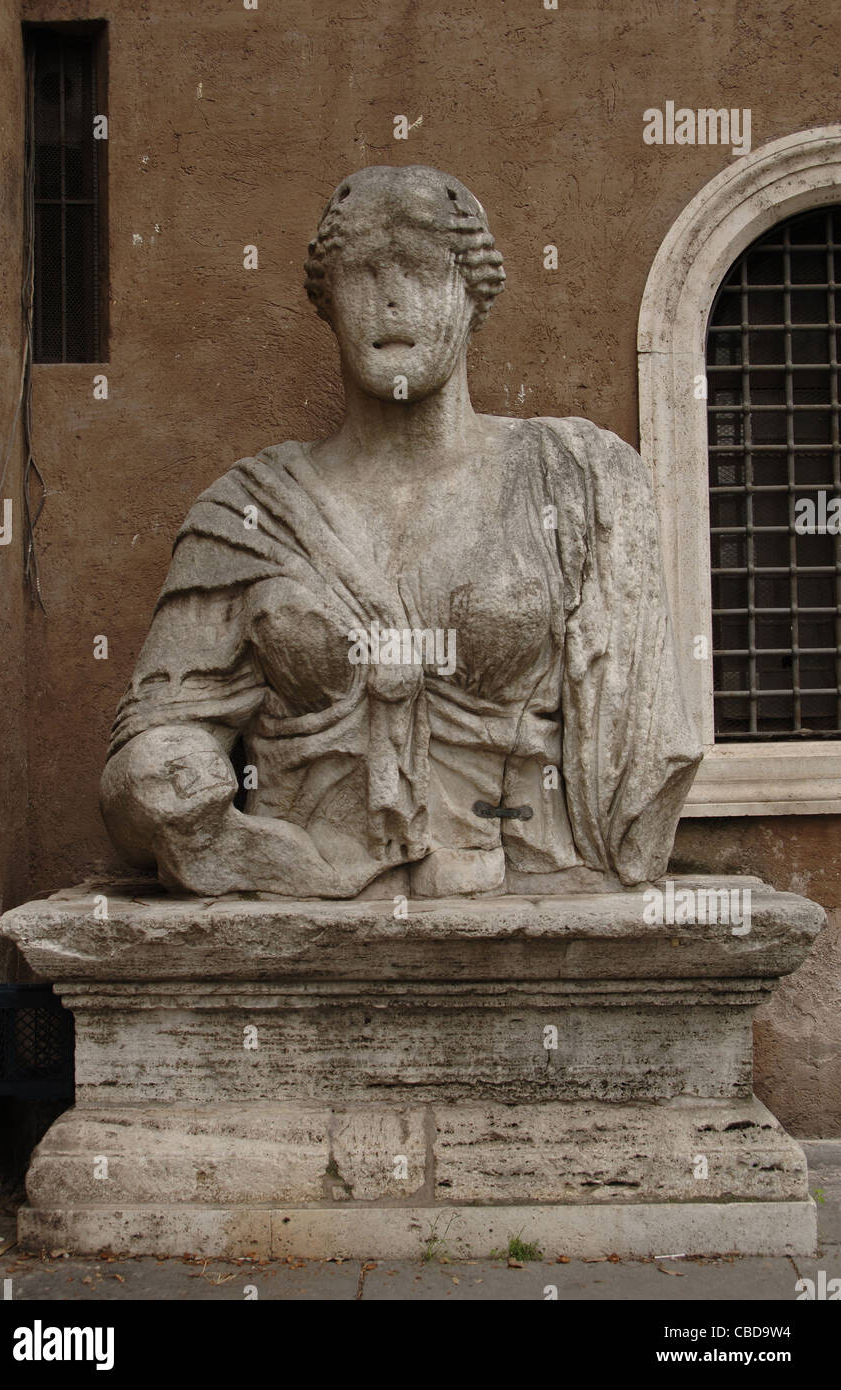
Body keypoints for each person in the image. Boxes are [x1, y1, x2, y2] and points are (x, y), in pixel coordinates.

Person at [100, 165, 701, 899]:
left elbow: (640, 761)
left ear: (473, 292)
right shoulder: (247, 514)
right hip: (302, 887)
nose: (391, 299)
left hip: (533, 882)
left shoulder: (576, 479)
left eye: (420, 269)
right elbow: (152, 748)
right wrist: (163, 780)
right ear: (327, 301)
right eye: (363, 275)